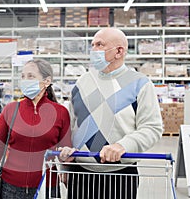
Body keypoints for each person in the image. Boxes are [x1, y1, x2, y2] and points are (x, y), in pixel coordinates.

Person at [67, 28, 163, 199]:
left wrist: (123, 145)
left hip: (120, 174)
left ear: (119, 51)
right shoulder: (82, 82)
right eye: (92, 45)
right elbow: (69, 124)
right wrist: (64, 164)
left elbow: (152, 127)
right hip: (80, 173)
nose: (93, 50)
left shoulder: (139, 83)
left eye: (99, 45)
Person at [0, 59, 74, 199]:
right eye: (23, 76)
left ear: (47, 81)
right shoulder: (11, 110)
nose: (25, 80)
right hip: (10, 188)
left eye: (31, 76)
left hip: (47, 188)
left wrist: (66, 158)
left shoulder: (60, 113)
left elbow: (66, 150)